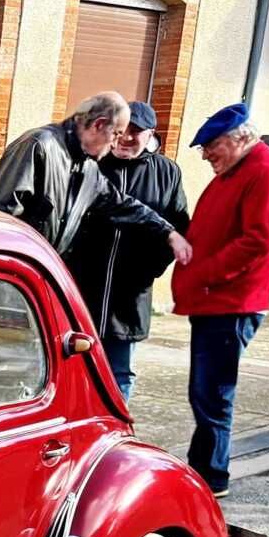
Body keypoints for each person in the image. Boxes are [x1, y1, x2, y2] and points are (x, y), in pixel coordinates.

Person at [171, 103, 269, 498]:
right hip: (216, 301)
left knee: (214, 393)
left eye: (211, 146)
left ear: (239, 138)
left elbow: (257, 242)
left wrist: (205, 276)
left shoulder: (264, 172)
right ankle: (203, 469)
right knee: (205, 392)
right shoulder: (239, 169)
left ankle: (211, 477)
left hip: (231, 303)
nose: (205, 155)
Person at [65, 102, 190, 399]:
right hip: (81, 287)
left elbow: (179, 226)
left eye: (137, 132)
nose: (127, 138)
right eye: (123, 131)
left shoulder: (167, 172)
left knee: (120, 371)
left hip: (129, 293)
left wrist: (149, 270)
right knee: (74, 364)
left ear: (151, 136)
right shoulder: (92, 162)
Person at [0, 91, 194, 267]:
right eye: (117, 134)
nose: (115, 144)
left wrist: (169, 233)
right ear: (99, 125)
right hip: (11, 277)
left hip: (42, 276)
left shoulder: (89, 168)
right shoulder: (40, 145)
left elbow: (122, 204)